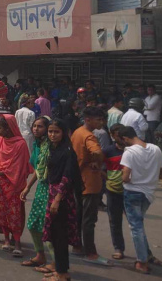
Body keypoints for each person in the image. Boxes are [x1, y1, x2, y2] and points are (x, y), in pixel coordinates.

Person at [116, 124, 162, 274]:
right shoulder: (155, 148)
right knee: (139, 225)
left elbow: (125, 177)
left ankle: (142, 261)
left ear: (124, 138)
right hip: (148, 194)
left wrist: (127, 179)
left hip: (133, 193)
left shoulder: (129, 152)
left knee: (135, 227)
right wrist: (148, 177)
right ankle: (147, 255)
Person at [0, 114, 32, 257]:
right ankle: (6, 239)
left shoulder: (20, 144)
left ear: (8, 128)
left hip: (14, 184)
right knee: (2, 212)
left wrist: (0, 174)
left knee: (14, 213)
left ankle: (16, 242)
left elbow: (20, 167)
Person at [42, 119, 81, 281]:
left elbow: (67, 177)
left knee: (60, 236)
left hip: (62, 198)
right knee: (55, 234)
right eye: (50, 131)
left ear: (63, 133)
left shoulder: (67, 151)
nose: (52, 134)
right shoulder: (54, 149)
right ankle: (59, 269)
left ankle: (63, 273)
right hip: (53, 194)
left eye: (56, 131)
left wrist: (57, 199)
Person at [71, 106, 110, 265]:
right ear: (88, 119)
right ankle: (91, 252)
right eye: (98, 119)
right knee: (89, 219)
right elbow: (98, 152)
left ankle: (77, 246)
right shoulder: (89, 136)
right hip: (90, 182)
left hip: (77, 179)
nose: (101, 122)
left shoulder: (77, 132)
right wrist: (98, 163)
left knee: (79, 216)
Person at [20, 116, 51, 269]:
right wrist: (27, 187)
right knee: (33, 223)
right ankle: (40, 255)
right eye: (34, 126)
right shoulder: (38, 145)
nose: (36, 129)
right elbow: (38, 170)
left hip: (52, 189)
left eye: (40, 126)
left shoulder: (51, 146)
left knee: (49, 226)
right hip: (41, 188)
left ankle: (57, 264)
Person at [102, 123, 127, 262]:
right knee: (115, 220)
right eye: (118, 134)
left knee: (135, 223)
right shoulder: (108, 151)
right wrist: (109, 180)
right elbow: (99, 168)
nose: (122, 137)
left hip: (130, 190)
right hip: (113, 190)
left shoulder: (131, 150)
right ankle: (118, 248)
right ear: (112, 136)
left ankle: (144, 252)